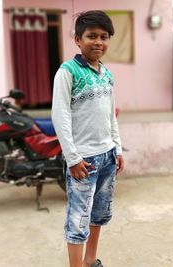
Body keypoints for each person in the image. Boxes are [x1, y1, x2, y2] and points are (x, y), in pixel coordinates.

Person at [51, 10, 124, 267]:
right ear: (78, 40)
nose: (98, 42)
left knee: (99, 213)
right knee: (78, 219)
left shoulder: (105, 73)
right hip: (84, 159)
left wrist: (118, 148)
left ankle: (90, 260)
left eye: (104, 37)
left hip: (107, 155)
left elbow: (111, 114)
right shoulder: (68, 71)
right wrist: (72, 158)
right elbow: (60, 117)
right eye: (91, 36)